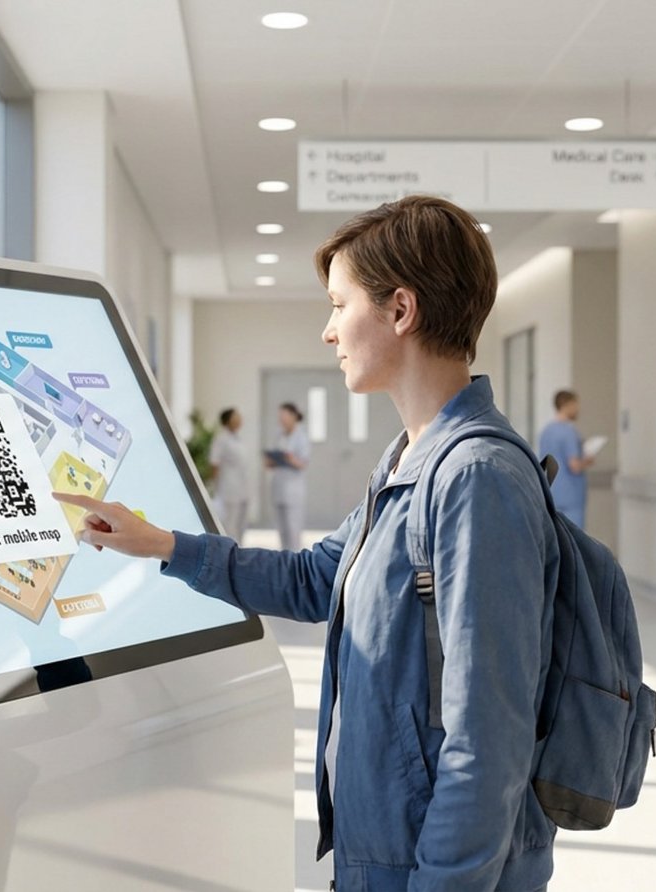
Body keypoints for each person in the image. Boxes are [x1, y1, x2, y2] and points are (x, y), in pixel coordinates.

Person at [57, 195, 559, 891]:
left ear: (400, 311)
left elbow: (489, 741)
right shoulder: (408, 463)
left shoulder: (477, 478)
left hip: (428, 871)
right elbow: (312, 579)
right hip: (380, 855)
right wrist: (164, 544)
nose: (328, 331)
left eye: (338, 303)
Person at [538, 390, 594, 529]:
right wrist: (587, 461)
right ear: (567, 405)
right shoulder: (569, 432)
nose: (578, 409)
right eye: (575, 405)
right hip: (571, 496)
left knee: (557, 539)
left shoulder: (546, 431)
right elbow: (574, 466)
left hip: (552, 493)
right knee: (574, 540)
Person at [267, 402, 310, 549]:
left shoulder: (301, 436)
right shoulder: (279, 435)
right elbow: (271, 462)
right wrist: (272, 460)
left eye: (284, 416)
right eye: (280, 417)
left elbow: (303, 463)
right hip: (278, 487)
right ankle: (285, 562)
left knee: (293, 531)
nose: (281, 420)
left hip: (293, 490)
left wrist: (290, 459)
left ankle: (295, 562)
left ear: (293, 416)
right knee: (282, 531)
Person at [207, 407, 251, 537]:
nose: (239, 419)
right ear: (228, 421)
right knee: (230, 524)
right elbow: (214, 463)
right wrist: (213, 487)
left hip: (242, 487)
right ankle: (232, 553)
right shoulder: (221, 439)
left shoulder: (238, 438)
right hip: (228, 488)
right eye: (236, 416)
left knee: (241, 523)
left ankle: (240, 550)